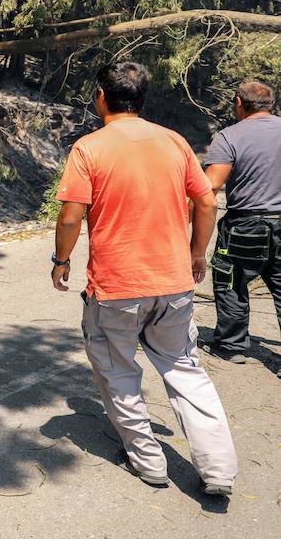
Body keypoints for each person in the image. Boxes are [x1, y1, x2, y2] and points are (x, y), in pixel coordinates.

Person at [51, 62, 238, 495]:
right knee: (186, 371)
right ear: (142, 98)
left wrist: (61, 261)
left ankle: (149, 461)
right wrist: (196, 255)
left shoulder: (89, 148)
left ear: (101, 96)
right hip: (173, 284)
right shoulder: (174, 141)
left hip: (117, 288)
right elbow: (207, 203)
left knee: (118, 372)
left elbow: (71, 214)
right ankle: (219, 471)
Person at [202, 81, 281, 368]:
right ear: (270, 104)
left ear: (238, 102)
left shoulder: (229, 136)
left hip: (245, 224)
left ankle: (231, 345)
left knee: (231, 281)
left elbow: (212, 184)